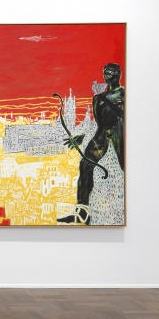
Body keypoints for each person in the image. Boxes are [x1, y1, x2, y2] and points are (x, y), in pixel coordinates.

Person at [58, 63, 124, 224]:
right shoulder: (98, 99)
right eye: (105, 72)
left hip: (121, 135)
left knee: (125, 165)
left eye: (110, 72)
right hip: (101, 137)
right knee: (85, 164)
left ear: (118, 74)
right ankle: (82, 210)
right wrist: (82, 137)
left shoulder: (126, 95)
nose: (106, 74)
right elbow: (97, 124)